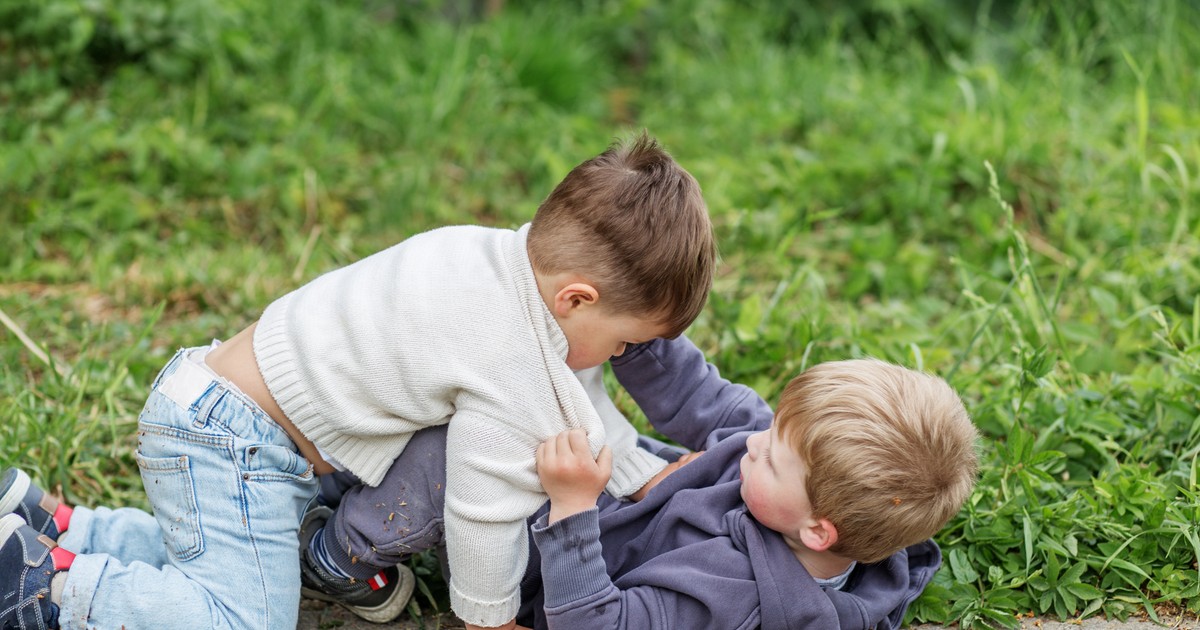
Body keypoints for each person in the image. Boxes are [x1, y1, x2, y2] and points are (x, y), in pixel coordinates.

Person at [0, 132, 717, 630]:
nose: (614, 358)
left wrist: (637, 469)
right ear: (578, 300)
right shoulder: (506, 359)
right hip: (236, 444)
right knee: (243, 618)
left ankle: (56, 527)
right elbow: (481, 512)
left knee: (240, 563)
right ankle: (41, 588)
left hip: (213, 405)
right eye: (624, 342)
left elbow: (570, 397)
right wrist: (487, 619)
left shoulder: (504, 261)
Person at [307, 334, 980, 629]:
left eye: (772, 455)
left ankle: (339, 554)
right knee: (489, 380)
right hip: (610, 501)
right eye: (775, 427)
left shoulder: (734, 598)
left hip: (555, 566)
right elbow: (703, 398)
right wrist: (641, 330)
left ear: (817, 531)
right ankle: (334, 461)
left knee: (462, 446)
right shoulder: (795, 474)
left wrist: (572, 509)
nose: (752, 440)